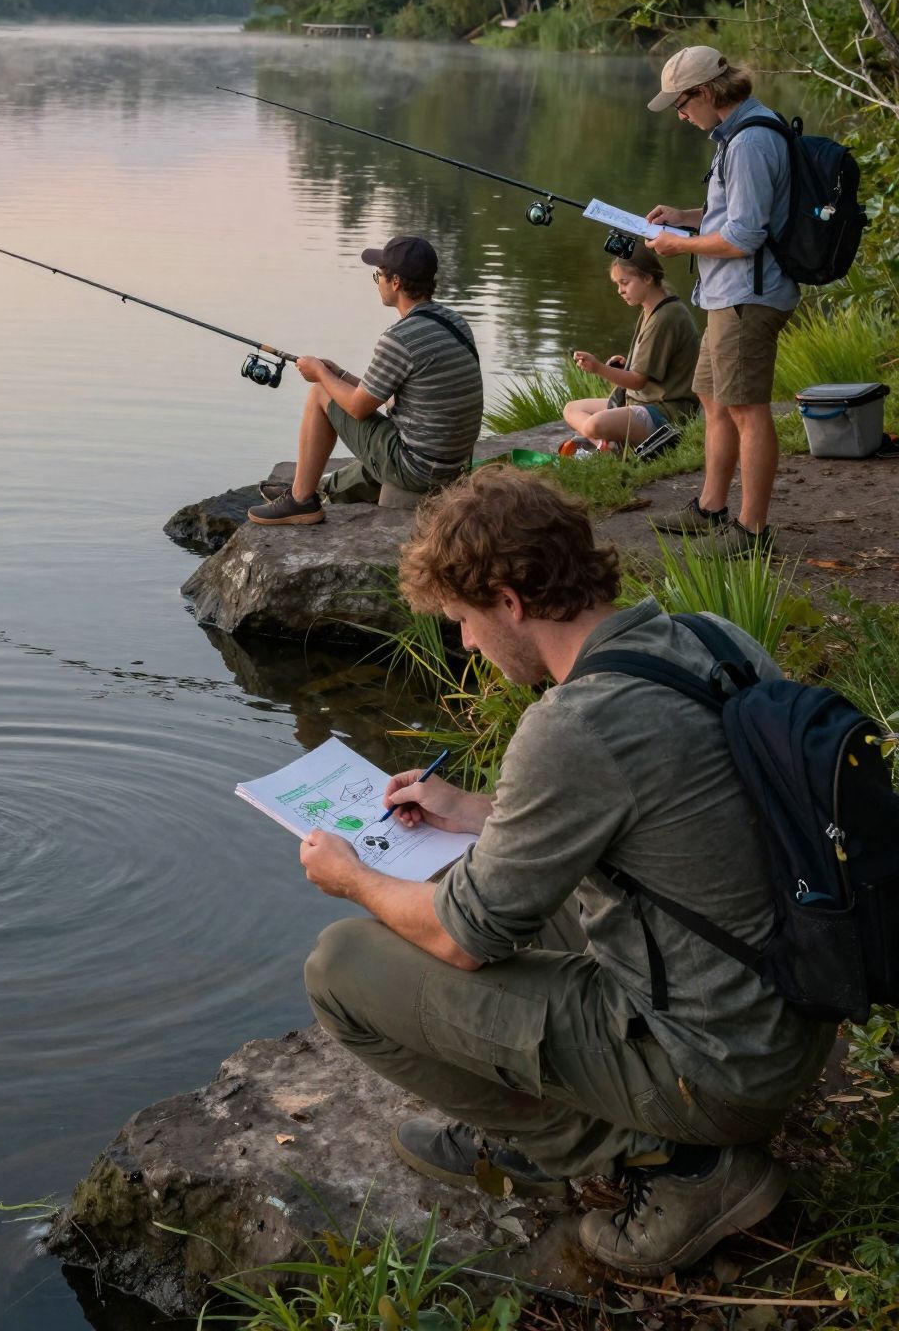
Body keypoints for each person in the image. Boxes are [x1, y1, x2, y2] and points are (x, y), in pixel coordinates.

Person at [298, 467, 832, 1279]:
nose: (467, 645)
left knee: (340, 966)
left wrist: (352, 877)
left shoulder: (574, 726)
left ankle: (658, 1162)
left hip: (716, 1073)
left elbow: (463, 939)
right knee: (466, 883)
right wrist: (469, 809)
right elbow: (665, 815)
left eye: (465, 621)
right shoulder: (713, 641)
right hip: (784, 1019)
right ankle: (646, 1130)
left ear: (509, 601)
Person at [643, 47, 798, 553]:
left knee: (747, 410)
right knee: (712, 397)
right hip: (726, 294)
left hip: (748, 297)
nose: (681, 115)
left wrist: (680, 246)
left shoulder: (750, 141)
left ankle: (752, 531)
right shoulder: (735, 132)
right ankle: (710, 509)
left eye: (682, 104)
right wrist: (684, 218)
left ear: (706, 92)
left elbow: (745, 236)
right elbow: (735, 213)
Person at [247, 235, 483, 527]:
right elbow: (394, 395)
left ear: (395, 282)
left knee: (320, 393)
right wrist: (340, 374)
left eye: (378, 275)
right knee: (335, 396)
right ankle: (315, 489)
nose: (377, 282)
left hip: (420, 469)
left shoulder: (399, 338)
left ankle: (300, 501)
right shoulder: (455, 323)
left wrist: (321, 374)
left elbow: (359, 408)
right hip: (454, 463)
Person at [562, 245, 699, 452]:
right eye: (618, 284)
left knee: (593, 425)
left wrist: (599, 368)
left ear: (647, 278)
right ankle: (605, 445)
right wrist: (625, 365)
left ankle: (608, 443)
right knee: (572, 409)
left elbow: (637, 381)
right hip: (639, 401)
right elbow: (652, 368)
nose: (620, 290)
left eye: (624, 283)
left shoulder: (666, 317)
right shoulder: (653, 307)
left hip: (664, 413)